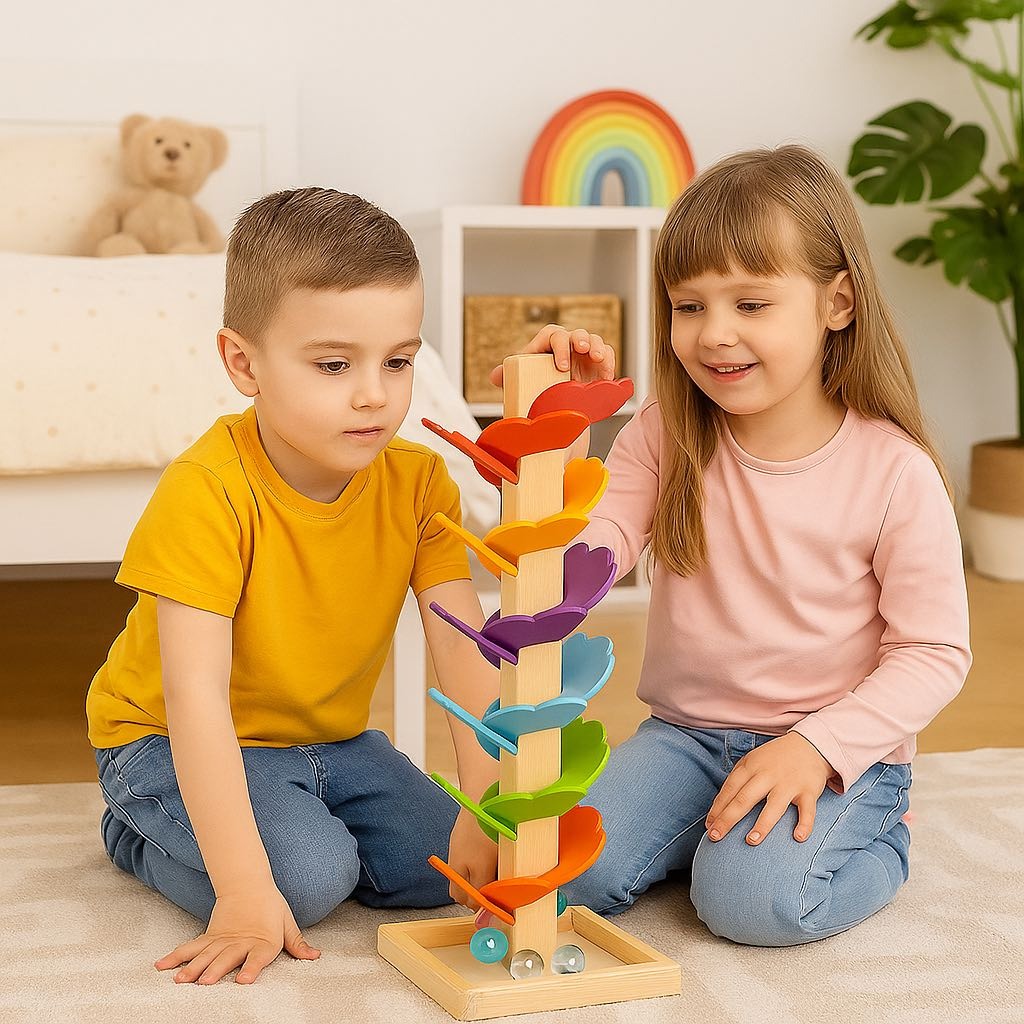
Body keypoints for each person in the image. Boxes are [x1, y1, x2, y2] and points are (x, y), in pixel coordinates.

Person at [497, 144, 972, 946]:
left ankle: (878, 841)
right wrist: (563, 428)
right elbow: (598, 546)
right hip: (684, 735)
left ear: (839, 303)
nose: (715, 335)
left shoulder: (895, 471)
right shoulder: (667, 429)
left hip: (826, 747)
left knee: (750, 908)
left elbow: (934, 652)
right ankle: (703, 835)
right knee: (567, 870)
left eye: (751, 306)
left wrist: (817, 749)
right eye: (690, 307)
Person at [87, 188, 501, 985]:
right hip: (165, 739)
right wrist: (243, 893)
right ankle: (134, 831)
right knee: (303, 884)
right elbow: (195, 695)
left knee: (441, 869)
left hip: (329, 740)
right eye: (334, 365)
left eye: (399, 361)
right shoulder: (208, 489)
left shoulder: (420, 485)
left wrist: (488, 806)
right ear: (244, 362)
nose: (375, 394)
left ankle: (297, 827)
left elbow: (462, 647)